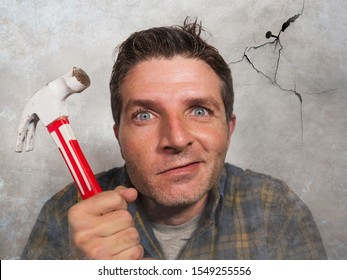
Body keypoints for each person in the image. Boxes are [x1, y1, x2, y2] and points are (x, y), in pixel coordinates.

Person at [21, 18, 327, 260]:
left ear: (229, 129)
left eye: (199, 110)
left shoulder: (278, 211)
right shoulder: (62, 214)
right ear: (119, 138)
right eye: (144, 115)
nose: (177, 139)